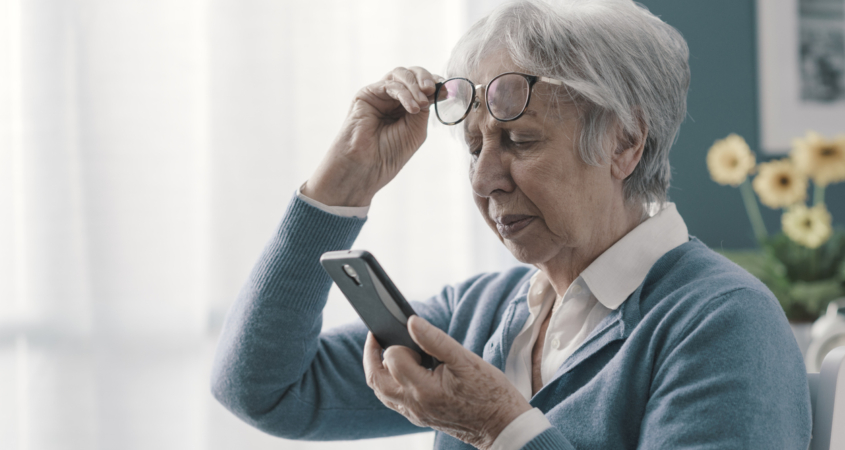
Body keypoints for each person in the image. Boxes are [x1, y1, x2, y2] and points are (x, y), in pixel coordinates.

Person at [210, 0, 812, 448]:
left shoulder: (722, 322)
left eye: (520, 141)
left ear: (625, 143)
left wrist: (501, 427)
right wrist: (343, 183)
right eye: (474, 148)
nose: (483, 180)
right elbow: (262, 390)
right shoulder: (481, 312)